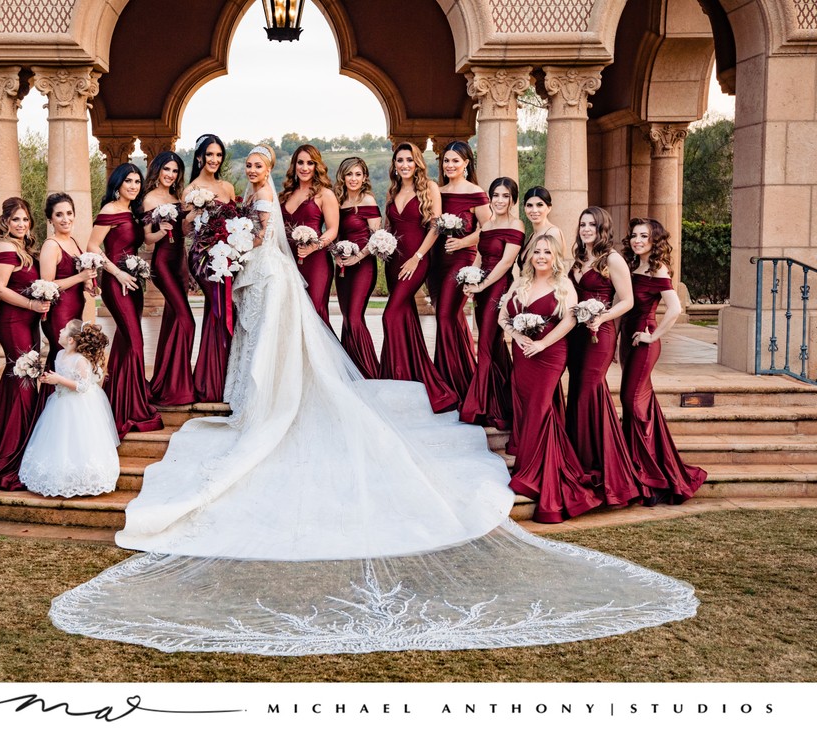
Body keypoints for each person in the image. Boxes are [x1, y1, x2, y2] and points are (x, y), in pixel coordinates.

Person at [48, 145, 698, 656]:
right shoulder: (255, 202)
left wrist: (366, 246)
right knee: (282, 335)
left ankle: (462, 405)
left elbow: (355, 231)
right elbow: (256, 238)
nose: (271, 171)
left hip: (345, 264)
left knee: (366, 324)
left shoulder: (341, 196)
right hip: (281, 272)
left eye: (275, 164)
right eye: (269, 165)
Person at [500, 233, 602, 523]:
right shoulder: (520, 282)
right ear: (530, 255)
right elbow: (502, 318)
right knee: (527, 406)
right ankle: (535, 466)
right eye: (537, 252)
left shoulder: (564, 284)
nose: (541, 256)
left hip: (550, 353)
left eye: (547, 252)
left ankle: (531, 474)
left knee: (540, 408)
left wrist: (543, 344)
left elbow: (571, 320)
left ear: (556, 256)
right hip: (523, 354)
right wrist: (519, 337)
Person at [621, 218, 708, 504]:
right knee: (637, 403)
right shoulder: (631, 266)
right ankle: (637, 469)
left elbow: (674, 308)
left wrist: (652, 335)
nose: (637, 240)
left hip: (644, 341)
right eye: (634, 235)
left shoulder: (658, 268)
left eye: (644, 236)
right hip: (628, 341)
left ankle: (652, 476)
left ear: (654, 240)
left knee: (633, 402)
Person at [565, 207, 642, 507]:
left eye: (592, 225)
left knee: (588, 390)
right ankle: (580, 459)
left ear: (602, 228)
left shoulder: (611, 259)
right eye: (582, 224)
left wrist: (601, 315)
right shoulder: (577, 258)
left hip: (601, 332)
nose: (586, 229)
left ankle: (603, 468)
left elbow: (628, 301)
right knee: (579, 392)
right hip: (576, 333)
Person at [86, 163, 164, 437]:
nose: (133, 186)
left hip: (134, 281)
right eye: (128, 181)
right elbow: (92, 247)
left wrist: (162, 230)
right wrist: (117, 272)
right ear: (117, 184)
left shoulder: (132, 212)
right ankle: (130, 405)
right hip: (116, 281)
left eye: (137, 181)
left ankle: (118, 395)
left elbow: (143, 243)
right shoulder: (109, 211)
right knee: (134, 339)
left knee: (124, 340)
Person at [379, 142, 457, 413]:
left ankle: (399, 376)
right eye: (399, 160)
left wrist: (418, 257)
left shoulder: (430, 188)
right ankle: (406, 380)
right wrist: (381, 245)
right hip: (394, 261)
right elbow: (387, 226)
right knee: (403, 316)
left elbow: (436, 225)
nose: (404, 165)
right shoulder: (392, 191)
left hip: (417, 259)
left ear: (417, 163)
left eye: (409, 160)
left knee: (389, 315)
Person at [0, 197, 49, 491]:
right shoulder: (6, 249)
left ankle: (1, 447)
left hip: (27, 322)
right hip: (13, 323)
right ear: (5, 222)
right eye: (16, 220)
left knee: (17, 385)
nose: (21, 224)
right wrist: (32, 305)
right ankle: (10, 457)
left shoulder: (23, 249)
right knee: (22, 386)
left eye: (25, 219)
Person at [19, 321, 120, 497]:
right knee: (59, 440)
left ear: (71, 339)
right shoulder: (59, 354)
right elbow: (60, 377)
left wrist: (59, 380)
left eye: (64, 329)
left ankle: (85, 480)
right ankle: (59, 478)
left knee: (78, 440)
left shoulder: (80, 360)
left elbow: (83, 386)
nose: (59, 330)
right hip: (60, 403)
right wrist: (49, 378)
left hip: (78, 405)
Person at [428, 140, 491, 397]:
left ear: (466, 163)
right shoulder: (437, 192)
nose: (450, 165)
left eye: (455, 160)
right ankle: (463, 373)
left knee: (445, 315)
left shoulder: (476, 192)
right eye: (446, 161)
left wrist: (463, 241)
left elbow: (488, 227)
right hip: (436, 262)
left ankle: (449, 381)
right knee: (450, 317)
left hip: (461, 259)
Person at [458, 176, 522, 428]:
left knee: (484, 344)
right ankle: (503, 403)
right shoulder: (486, 226)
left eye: (505, 195)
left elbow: (506, 263)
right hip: (483, 288)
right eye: (495, 195)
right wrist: (471, 280)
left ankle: (478, 407)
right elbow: (479, 258)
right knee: (493, 345)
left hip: (498, 288)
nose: (499, 200)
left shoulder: (516, 225)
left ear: (513, 199)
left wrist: (484, 284)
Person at [186, 134, 238, 402]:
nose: (214, 160)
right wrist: (196, 211)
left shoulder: (227, 187)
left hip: (228, 256)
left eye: (218, 155)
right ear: (199, 157)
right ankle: (211, 383)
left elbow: (235, 222)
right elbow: (184, 229)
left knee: (223, 310)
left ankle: (222, 378)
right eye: (209, 155)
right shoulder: (191, 189)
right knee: (219, 309)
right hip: (204, 258)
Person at [143, 151, 195, 405]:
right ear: (158, 170)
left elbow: (184, 230)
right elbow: (146, 238)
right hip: (163, 262)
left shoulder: (178, 197)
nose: (170, 175)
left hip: (180, 261)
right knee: (188, 321)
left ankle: (167, 381)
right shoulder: (149, 198)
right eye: (167, 169)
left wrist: (195, 214)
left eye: (175, 171)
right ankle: (178, 387)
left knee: (173, 321)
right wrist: (160, 232)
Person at [35, 193, 95, 409]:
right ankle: (49, 410)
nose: (65, 219)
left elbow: (73, 276)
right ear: (50, 219)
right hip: (58, 312)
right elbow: (48, 284)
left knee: (72, 360)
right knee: (60, 357)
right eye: (59, 215)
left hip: (75, 308)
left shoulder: (72, 241)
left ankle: (72, 411)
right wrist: (80, 277)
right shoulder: (51, 245)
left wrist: (87, 284)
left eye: (69, 213)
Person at [279, 144, 339, 325]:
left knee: (314, 313)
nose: (305, 168)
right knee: (291, 314)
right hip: (287, 261)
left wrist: (315, 246)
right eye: (300, 163)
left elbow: (333, 229)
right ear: (294, 165)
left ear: (316, 166)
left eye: (310, 163)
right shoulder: (285, 195)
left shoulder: (325, 194)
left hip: (316, 263)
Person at [332, 156, 380, 378]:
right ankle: (349, 371)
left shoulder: (368, 200)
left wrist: (358, 257)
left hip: (363, 266)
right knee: (345, 318)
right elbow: (334, 233)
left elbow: (377, 238)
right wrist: (337, 255)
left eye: (358, 174)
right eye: (349, 174)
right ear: (342, 176)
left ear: (364, 177)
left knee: (354, 316)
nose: (353, 178)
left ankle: (368, 372)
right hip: (342, 267)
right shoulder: (337, 202)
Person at [520, 186, 566, 268]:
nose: (534, 210)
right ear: (525, 208)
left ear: (549, 208)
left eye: (539, 205)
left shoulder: (552, 233)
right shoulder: (532, 235)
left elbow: (556, 269)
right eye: (529, 205)